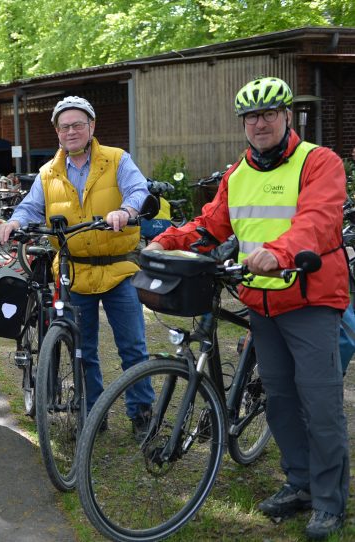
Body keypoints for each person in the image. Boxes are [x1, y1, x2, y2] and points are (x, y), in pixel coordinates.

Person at [146, 76, 349, 540]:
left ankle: (329, 502)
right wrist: (164, 242)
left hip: (310, 300)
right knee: (279, 401)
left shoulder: (318, 162)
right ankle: (299, 484)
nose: (259, 124)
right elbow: (211, 226)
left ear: (286, 117)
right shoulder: (237, 174)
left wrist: (279, 252)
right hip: (261, 302)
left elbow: (317, 221)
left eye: (268, 114)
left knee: (319, 405)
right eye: (251, 117)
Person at [0, 96, 154, 439]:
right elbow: (31, 207)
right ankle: (93, 412)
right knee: (83, 349)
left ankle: (142, 415)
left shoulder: (116, 160)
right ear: (57, 132)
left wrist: (125, 211)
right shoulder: (48, 172)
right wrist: (14, 223)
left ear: (92, 126)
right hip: (73, 271)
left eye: (78, 124)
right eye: (64, 126)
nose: (71, 131)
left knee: (133, 347)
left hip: (118, 268)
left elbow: (139, 191)